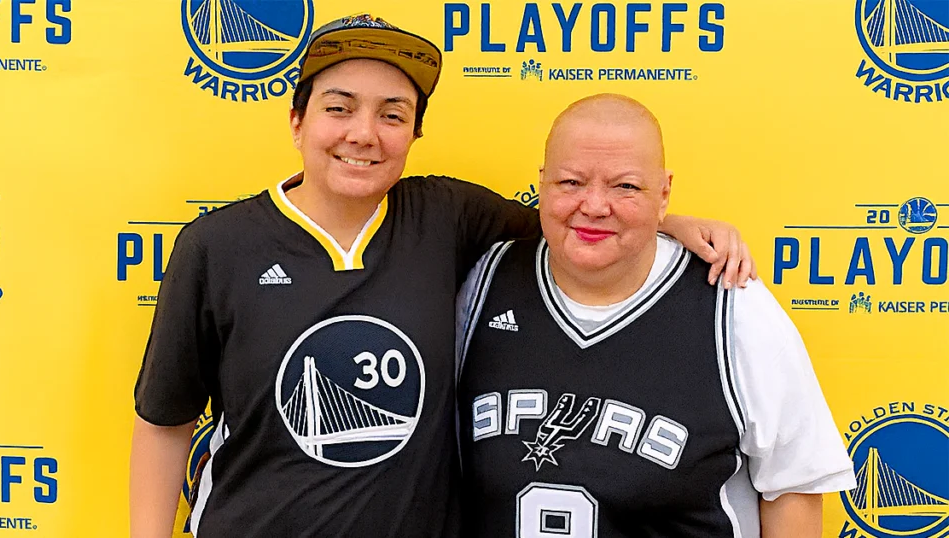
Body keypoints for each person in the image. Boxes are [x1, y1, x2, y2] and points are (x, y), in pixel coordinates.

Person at [130, 15, 756, 538]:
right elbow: (164, 423)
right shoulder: (216, 247)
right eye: (338, 108)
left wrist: (665, 220)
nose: (363, 134)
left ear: (414, 133)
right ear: (297, 121)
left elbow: (574, 222)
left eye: (392, 115)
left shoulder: (446, 216)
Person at [456, 94, 855, 538]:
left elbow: (793, 486)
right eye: (570, 182)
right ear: (542, 183)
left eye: (625, 187)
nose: (594, 205)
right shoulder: (483, 284)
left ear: (663, 194)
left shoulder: (731, 304)